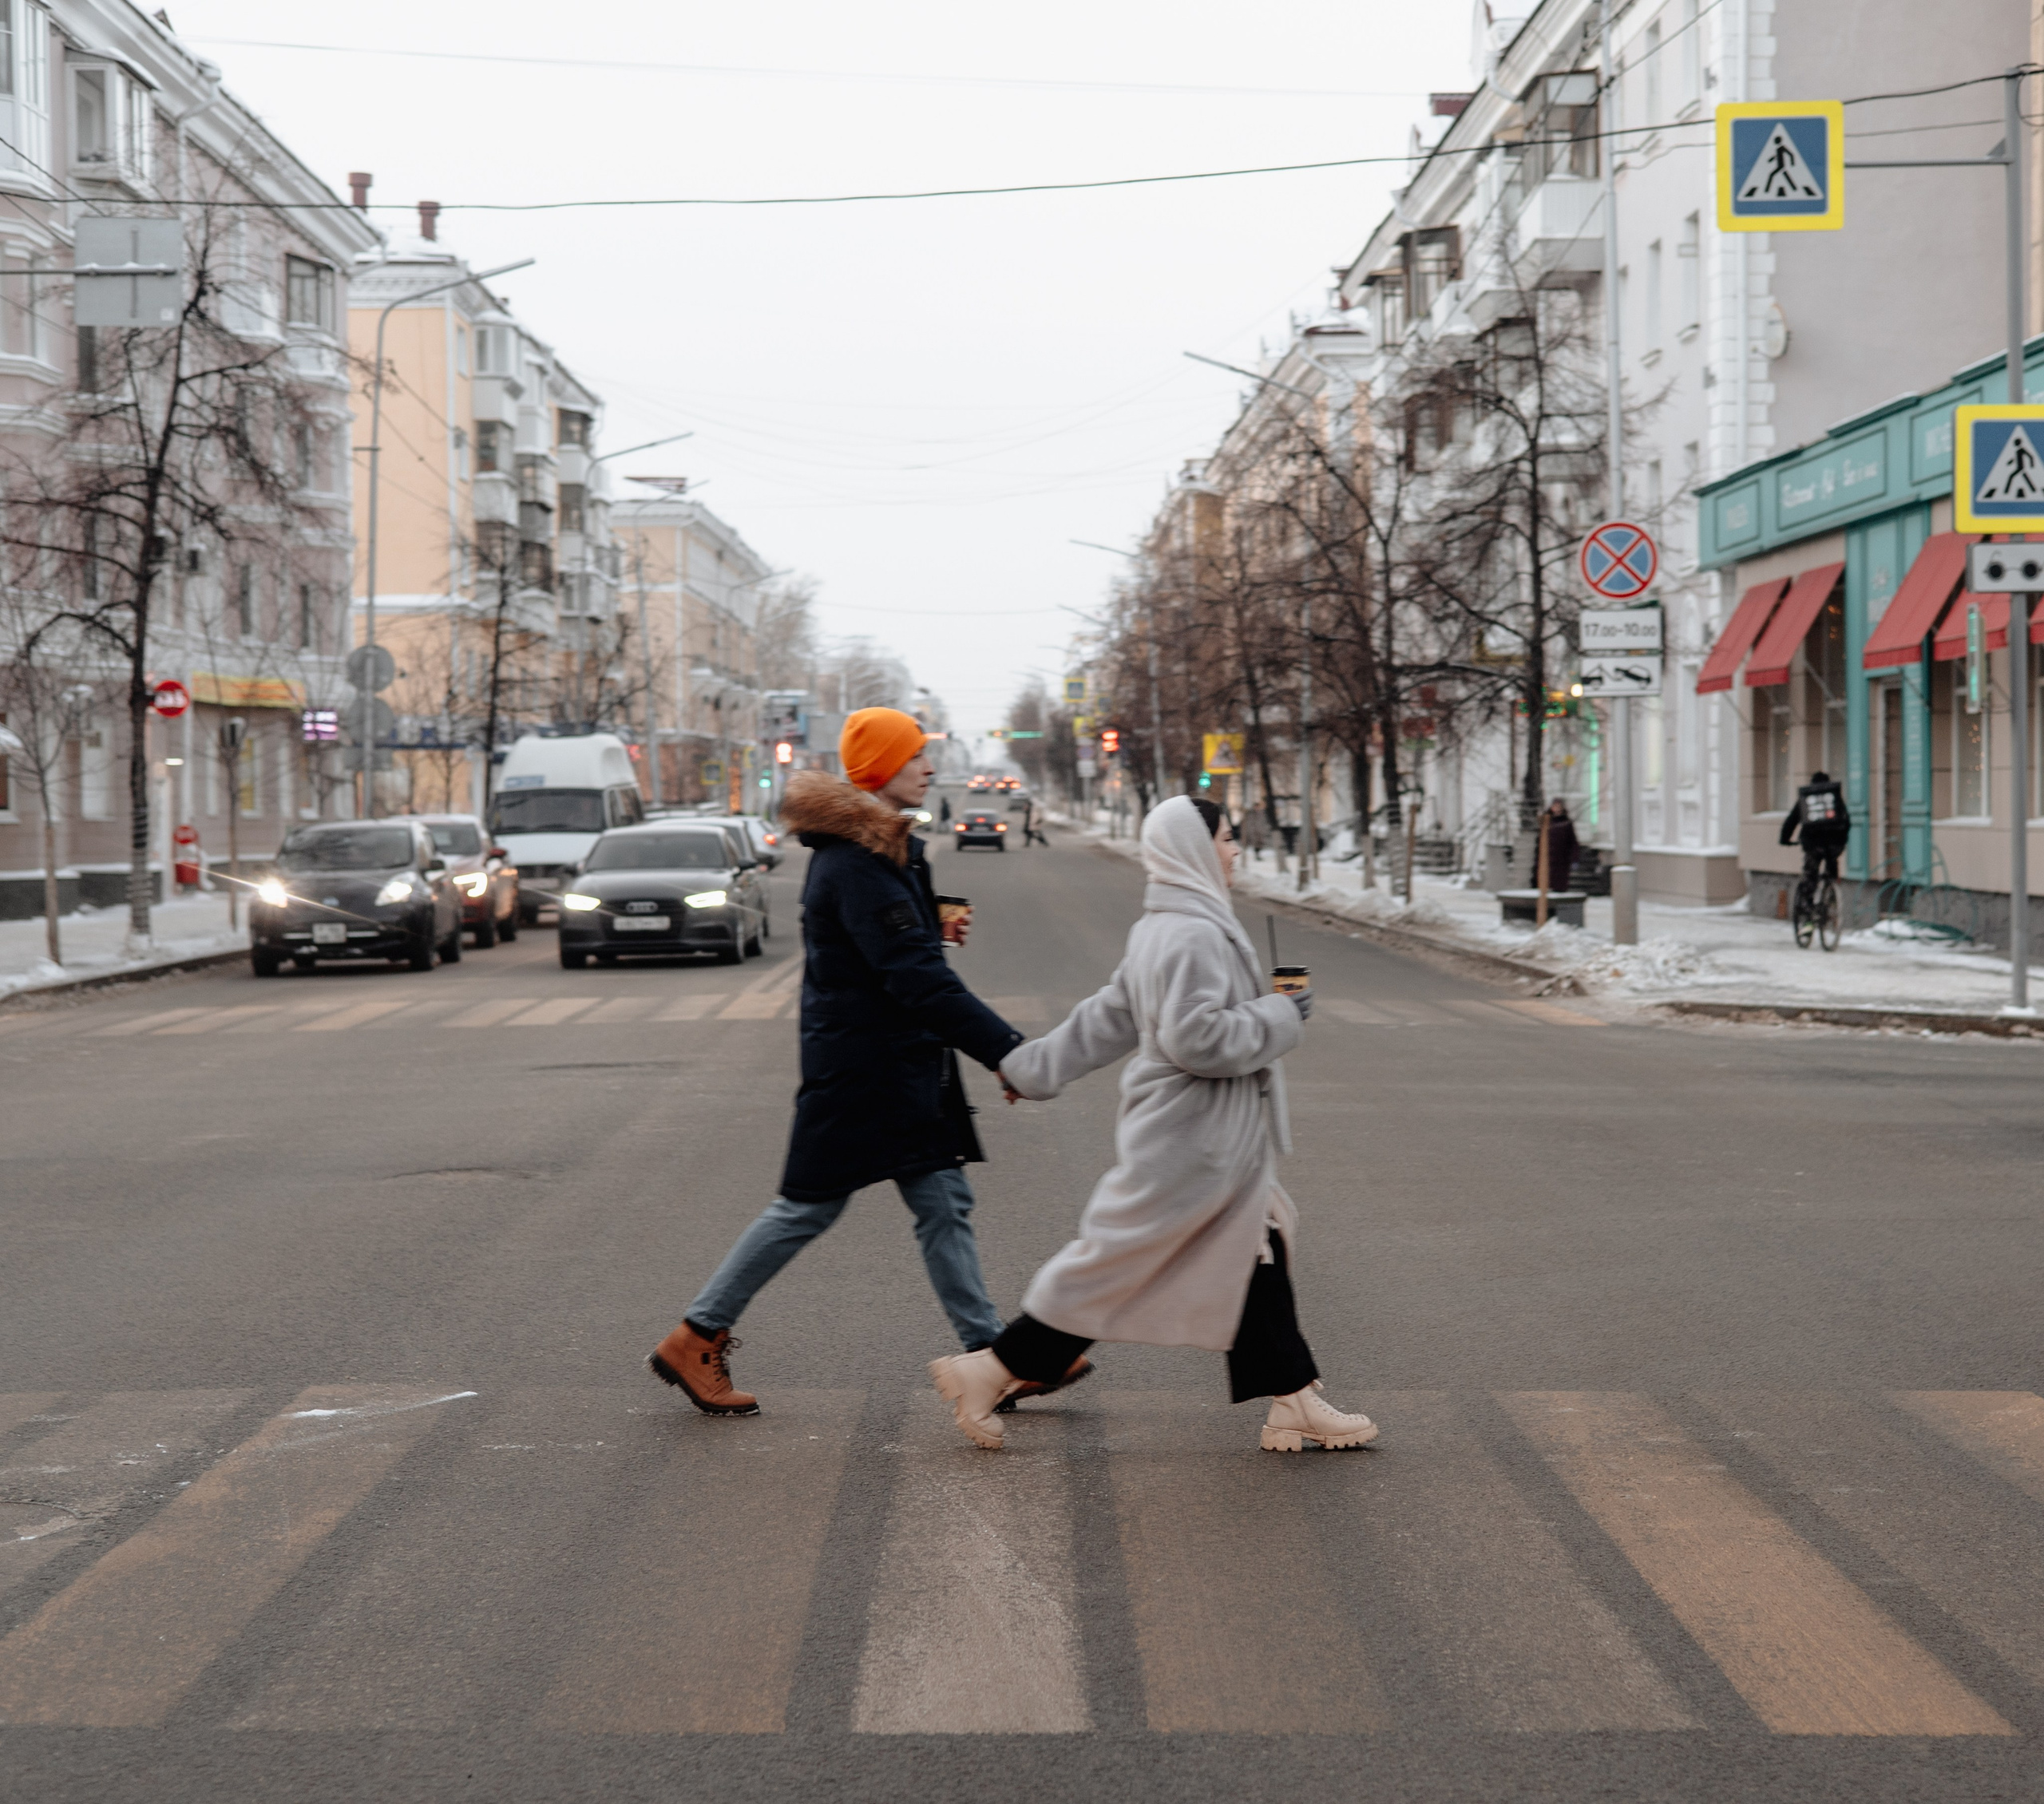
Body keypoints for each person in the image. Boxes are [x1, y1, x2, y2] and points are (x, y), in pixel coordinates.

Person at [929, 795, 1377, 1454]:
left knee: (1257, 1241)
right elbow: (1196, 1039)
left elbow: (1110, 1015)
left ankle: (1295, 1399)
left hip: (1201, 1136)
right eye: (1226, 838)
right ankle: (991, 1368)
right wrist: (1283, 1017)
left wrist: (1031, 1069)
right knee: (1115, 1268)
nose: (1233, 849)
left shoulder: (1166, 925)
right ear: (1196, 848)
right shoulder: (1190, 933)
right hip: (1190, 1139)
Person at [649, 708, 1036, 1416]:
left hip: (894, 1060)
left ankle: (993, 1354)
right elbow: (914, 979)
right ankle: (697, 1334)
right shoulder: (856, 861)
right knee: (806, 1207)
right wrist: (1009, 1053)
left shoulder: (881, 848)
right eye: (916, 756)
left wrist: (929, 927)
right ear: (883, 769)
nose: (928, 766)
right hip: (865, 1069)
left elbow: (897, 958)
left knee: (942, 1201)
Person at [1779, 769, 1851, 909]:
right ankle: (1831, 895)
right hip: (1834, 844)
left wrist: (1784, 838)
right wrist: (1842, 840)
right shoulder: (1834, 797)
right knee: (1831, 865)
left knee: (1811, 874)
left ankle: (1807, 909)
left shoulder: (1807, 799)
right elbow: (1846, 821)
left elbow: (1792, 820)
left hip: (1813, 844)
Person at [1539, 798, 1579, 892]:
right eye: (1555, 806)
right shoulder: (1547, 822)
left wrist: (1574, 859)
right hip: (1548, 860)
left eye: (1559, 806)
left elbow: (1573, 843)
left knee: (1560, 885)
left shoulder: (1566, 823)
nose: (1557, 808)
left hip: (1562, 861)